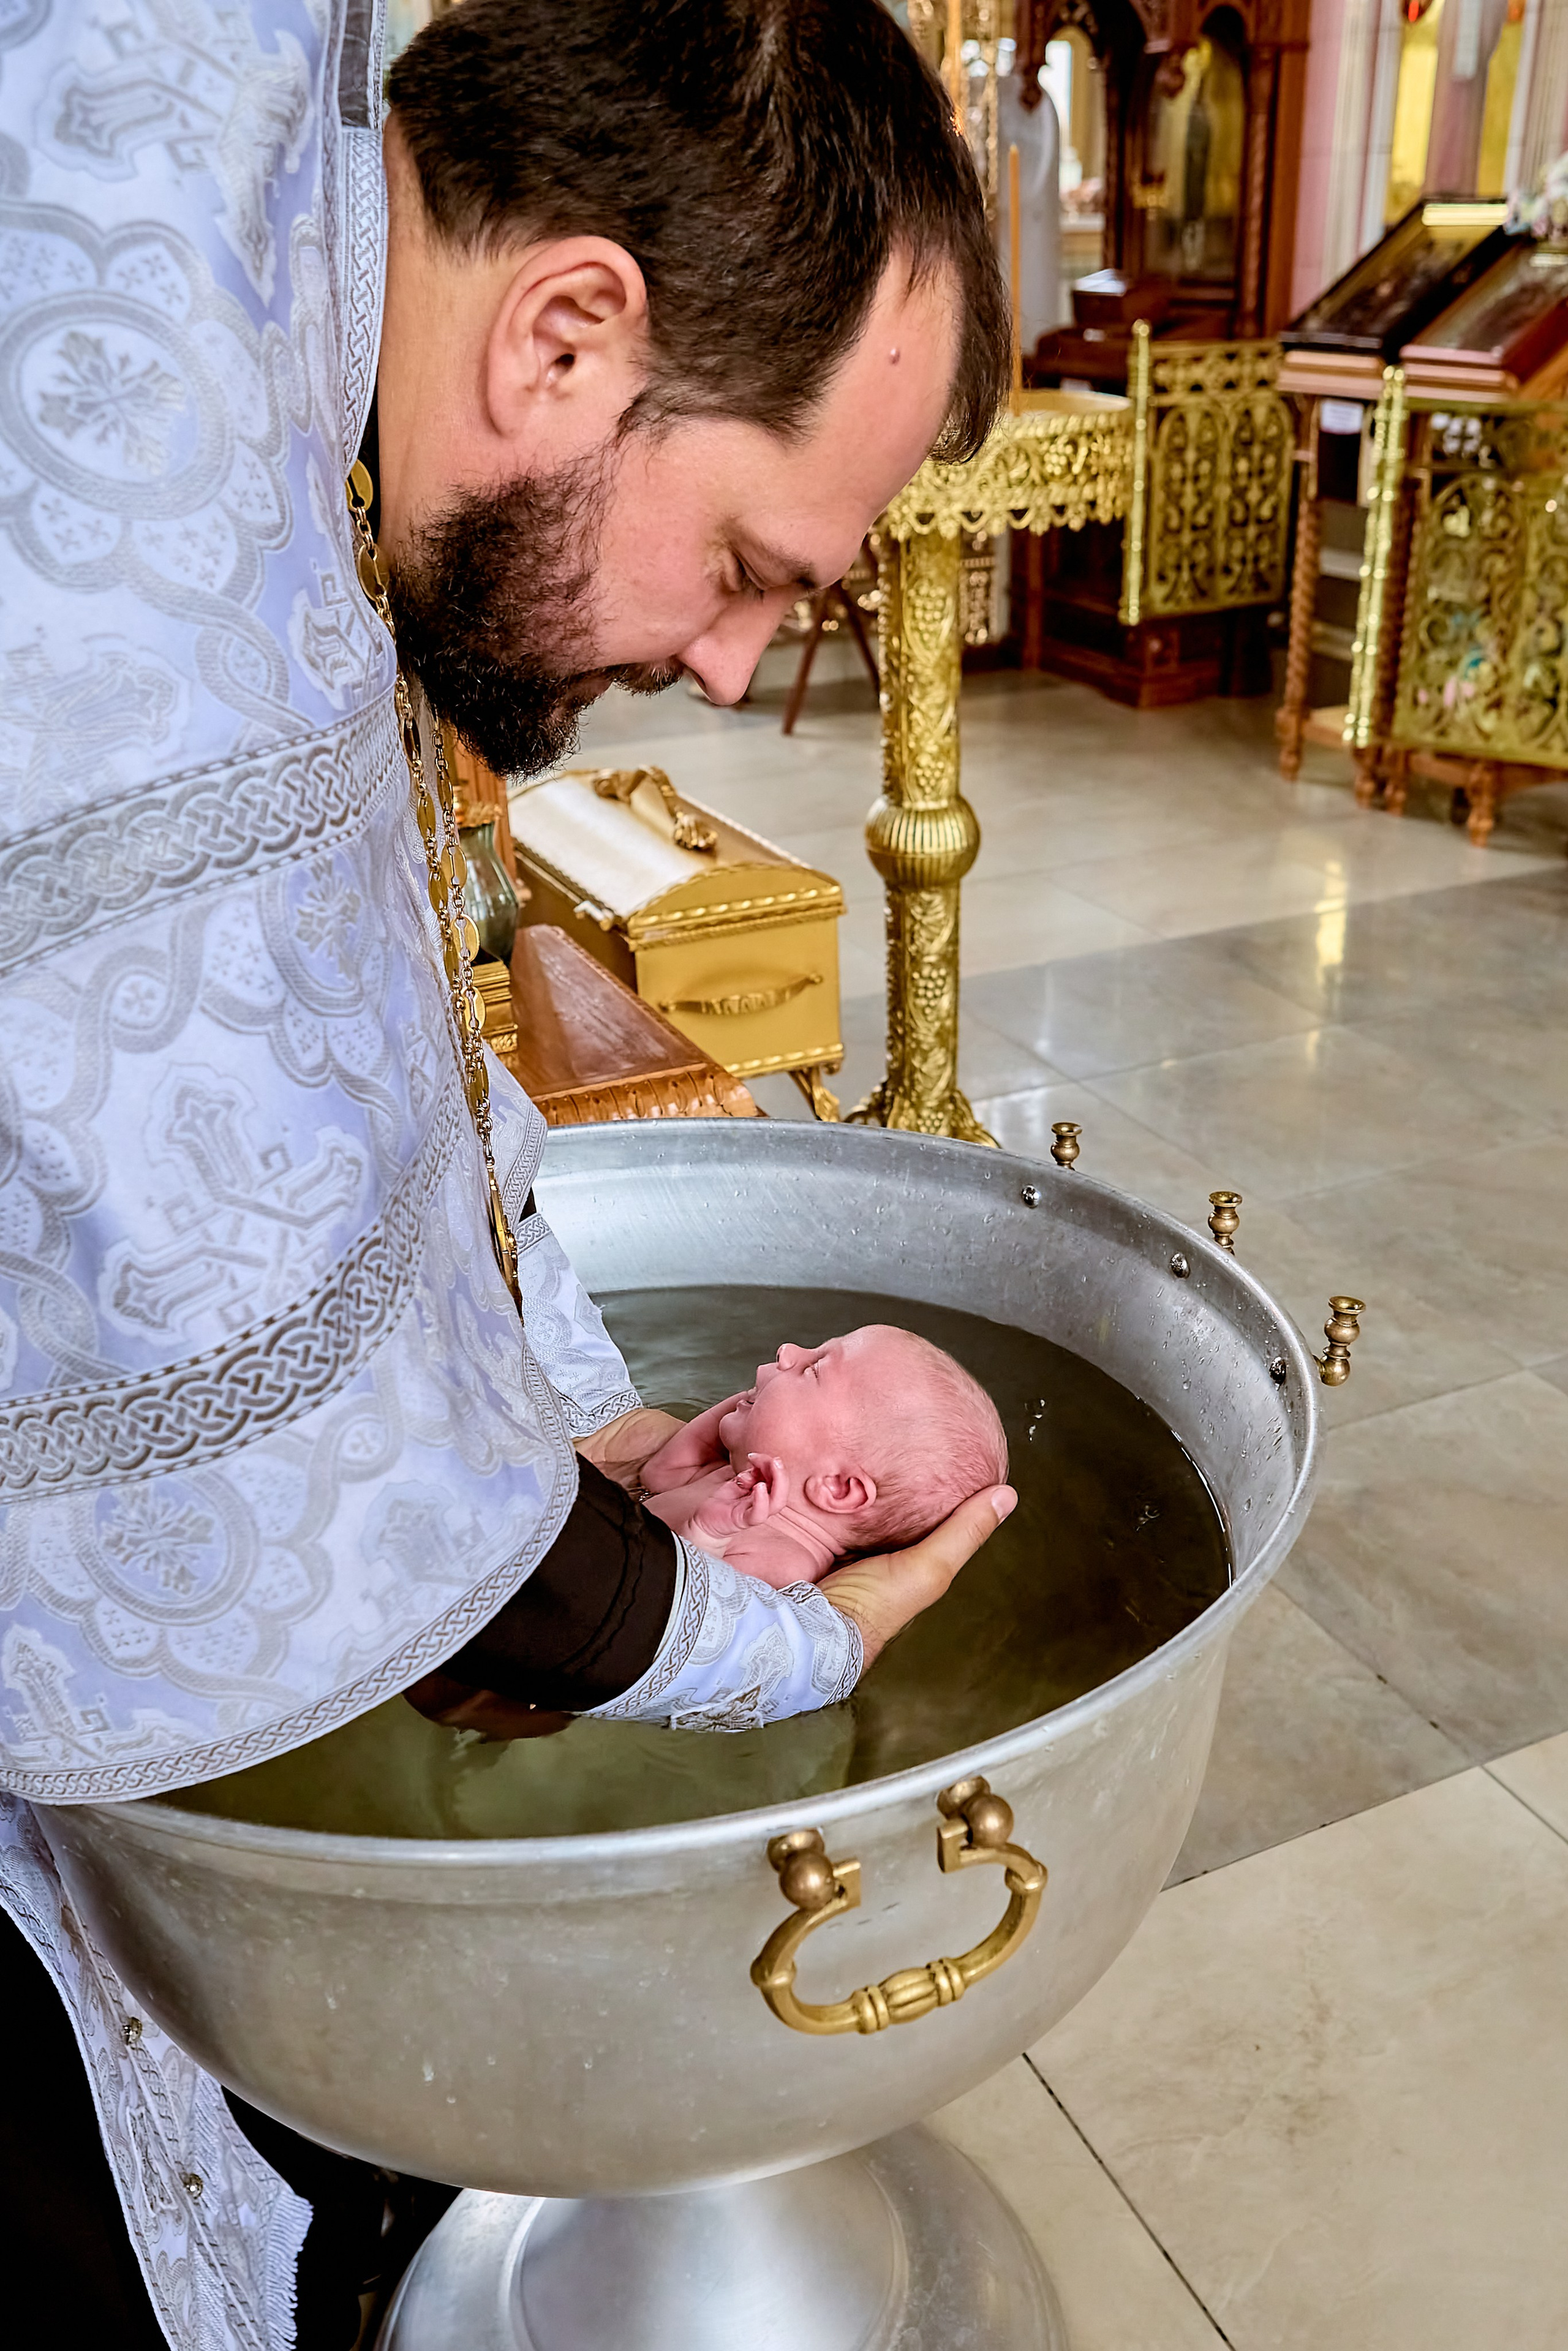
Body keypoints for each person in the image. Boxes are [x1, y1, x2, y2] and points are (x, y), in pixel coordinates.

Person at [0, 0, 1011, 2343]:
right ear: (566, 333)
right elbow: (175, 1230)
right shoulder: (123, 493)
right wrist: (744, 1632)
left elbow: (326, 1027)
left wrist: (543, 1394)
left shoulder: (259, 212)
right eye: (757, 563)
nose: (744, 658)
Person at [641, 1329, 1009, 1590]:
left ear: (837, 1487)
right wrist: (756, 1409)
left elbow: (689, 1615)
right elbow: (658, 1475)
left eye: (813, 1369)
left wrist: (705, 1537)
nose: (788, 1351)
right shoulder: (731, 1478)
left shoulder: (786, 1564)